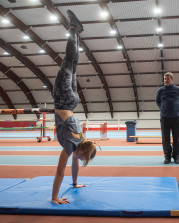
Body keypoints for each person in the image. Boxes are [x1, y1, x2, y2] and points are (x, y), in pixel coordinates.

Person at [51, 10, 97, 205]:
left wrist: (75, 183)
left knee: (74, 64)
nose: (78, 159)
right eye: (82, 157)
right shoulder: (71, 144)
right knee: (68, 62)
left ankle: (76, 33)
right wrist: (54, 198)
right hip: (62, 98)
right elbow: (60, 170)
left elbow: (74, 164)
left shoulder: (80, 139)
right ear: (81, 152)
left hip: (72, 100)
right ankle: (72, 28)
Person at [156, 72, 179, 164]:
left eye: (167, 79)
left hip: (176, 118)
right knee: (165, 139)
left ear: (172, 79)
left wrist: (175, 108)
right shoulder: (160, 90)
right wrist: (163, 109)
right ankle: (167, 156)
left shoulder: (178, 90)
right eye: (164, 79)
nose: (166, 80)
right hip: (164, 118)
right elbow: (158, 101)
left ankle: (176, 156)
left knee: (177, 138)